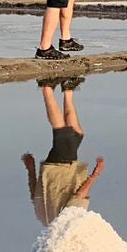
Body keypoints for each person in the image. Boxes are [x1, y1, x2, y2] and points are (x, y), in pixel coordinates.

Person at [23, 76, 105, 224]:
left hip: (61, 169)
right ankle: (68, 89)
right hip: (55, 169)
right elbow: (34, 196)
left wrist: (96, 174)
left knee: (61, 130)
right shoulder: (46, 219)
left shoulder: (70, 218)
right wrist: (31, 168)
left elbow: (79, 195)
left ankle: (46, 88)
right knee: (77, 134)